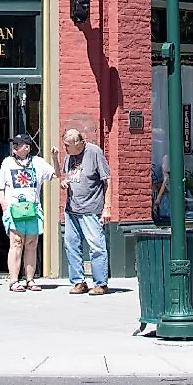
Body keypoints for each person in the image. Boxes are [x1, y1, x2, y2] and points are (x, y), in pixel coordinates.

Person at [57, 126, 111, 295]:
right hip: (72, 209)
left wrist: (107, 208)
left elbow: (107, 181)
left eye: (67, 145)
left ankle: (101, 283)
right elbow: (67, 176)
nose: (65, 148)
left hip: (91, 209)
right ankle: (78, 282)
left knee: (96, 246)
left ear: (78, 143)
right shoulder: (69, 156)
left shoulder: (94, 152)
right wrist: (64, 182)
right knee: (71, 245)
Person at [0, 133, 53, 291]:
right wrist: (4, 206)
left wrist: (55, 158)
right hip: (14, 209)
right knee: (16, 243)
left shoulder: (38, 162)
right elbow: (0, 187)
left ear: (27, 147)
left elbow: (54, 174)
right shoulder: (7, 162)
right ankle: (14, 281)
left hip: (33, 209)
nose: (15, 146)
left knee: (31, 244)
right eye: (14, 144)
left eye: (18, 144)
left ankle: (30, 279)